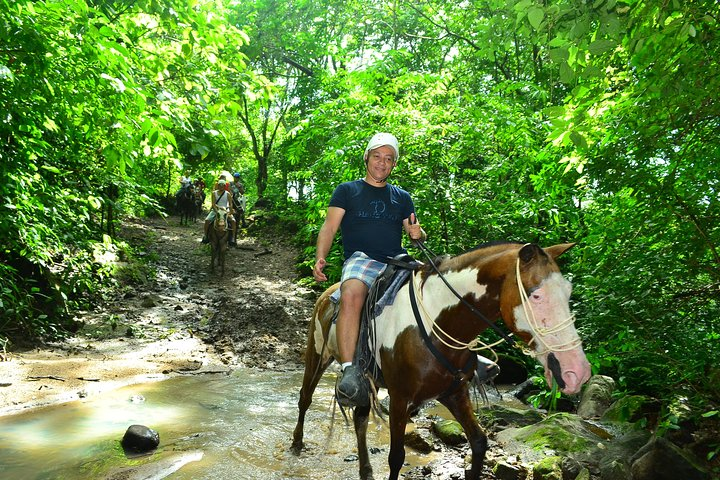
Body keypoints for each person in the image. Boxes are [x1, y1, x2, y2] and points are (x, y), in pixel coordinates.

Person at [313, 132, 425, 407]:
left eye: (388, 159)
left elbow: (416, 234)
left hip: (396, 260)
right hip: (362, 259)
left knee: (432, 288)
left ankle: (439, 361)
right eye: (377, 156)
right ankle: (350, 370)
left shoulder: (402, 197)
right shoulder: (347, 191)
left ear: (394, 165)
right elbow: (329, 227)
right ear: (367, 158)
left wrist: (417, 232)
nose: (382, 163)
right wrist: (321, 257)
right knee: (351, 291)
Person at [201, 176, 237, 246]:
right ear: (218, 185)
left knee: (233, 221)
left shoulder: (228, 194)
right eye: (219, 185)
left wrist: (229, 211)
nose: (221, 186)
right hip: (216, 210)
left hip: (225, 210)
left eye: (222, 185)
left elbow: (230, 204)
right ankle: (206, 235)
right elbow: (213, 204)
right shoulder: (214, 193)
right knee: (207, 220)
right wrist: (217, 211)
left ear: (224, 186)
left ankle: (232, 237)